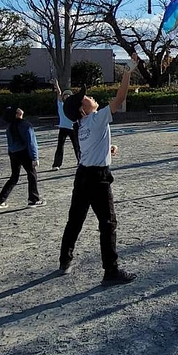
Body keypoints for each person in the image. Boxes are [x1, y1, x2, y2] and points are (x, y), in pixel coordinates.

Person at [58, 66, 137, 285]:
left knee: (75, 220)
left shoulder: (81, 125)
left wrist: (107, 148)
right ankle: (110, 271)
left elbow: (89, 146)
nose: (90, 97)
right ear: (83, 110)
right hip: (97, 178)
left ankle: (65, 259)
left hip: (82, 175)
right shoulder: (96, 118)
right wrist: (128, 72)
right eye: (85, 98)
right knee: (108, 223)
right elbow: (120, 98)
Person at [0, 106, 44, 209]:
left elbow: (10, 144)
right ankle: (33, 199)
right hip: (24, 153)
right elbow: (31, 143)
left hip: (13, 153)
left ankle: (0, 200)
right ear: (17, 114)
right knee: (32, 175)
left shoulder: (10, 127)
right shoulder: (26, 125)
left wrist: (11, 154)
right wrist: (35, 157)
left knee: (14, 177)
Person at [51, 81, 80, 171]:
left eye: (68, 95)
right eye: (65, 95)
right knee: (60, 146)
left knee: (77, 146)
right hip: (63, 128)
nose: (66, 96)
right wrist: (57, 85)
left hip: (73, 127)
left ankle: (81, 161)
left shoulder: (74, 106)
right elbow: (59, 94)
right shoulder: (61, 104)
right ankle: (57, 164)